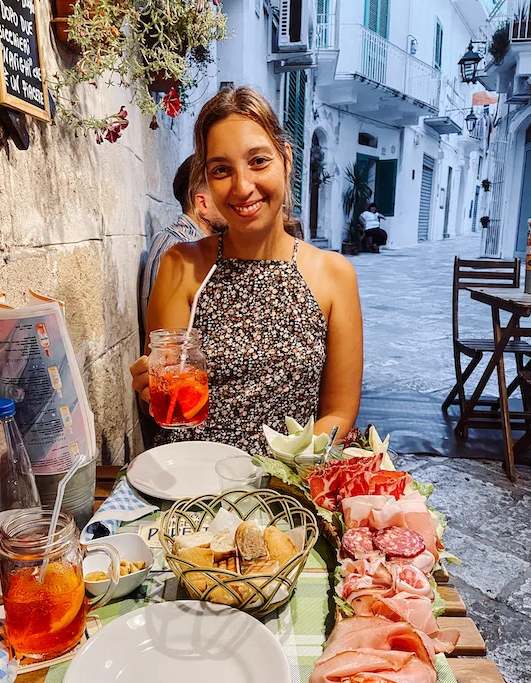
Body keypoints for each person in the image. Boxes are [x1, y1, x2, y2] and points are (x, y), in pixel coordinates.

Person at [130, 86, 363, 453]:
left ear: (286, 159)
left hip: (285, 486)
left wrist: (275, 475)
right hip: (193, 480)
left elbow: (338, 412)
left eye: (258, 161)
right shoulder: (181, 265)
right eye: (222, 170)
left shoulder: (335, 276)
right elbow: (170, 403)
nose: (242, 187)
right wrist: (150, 389)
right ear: (206, 181)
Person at [138, 155, 227, 339]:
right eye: (225, 197)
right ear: (203, 203)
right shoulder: (178, 250)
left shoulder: (199, 247)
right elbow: (166, 346)